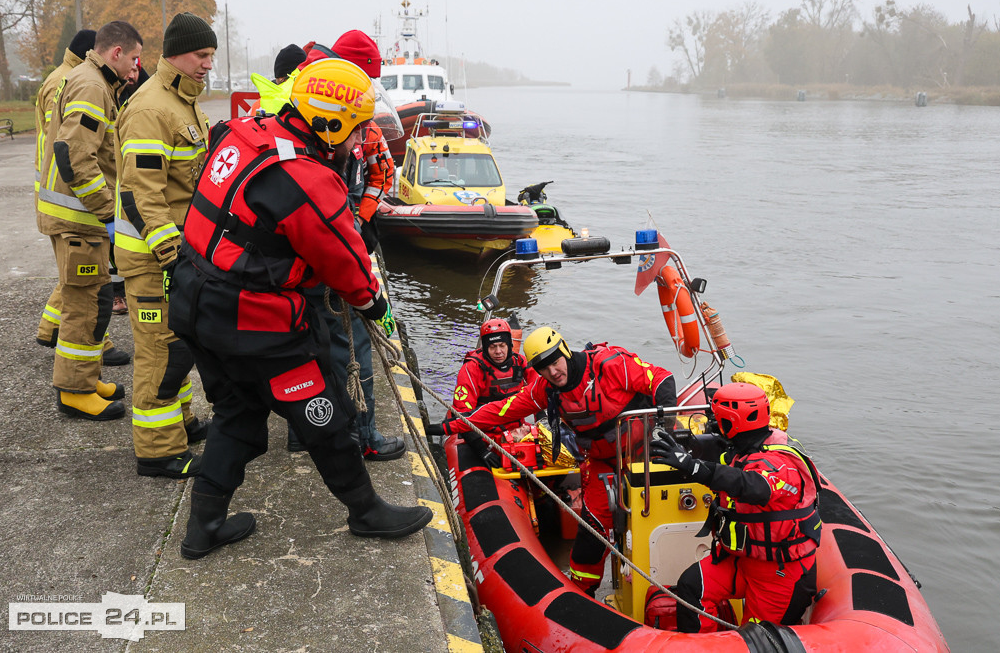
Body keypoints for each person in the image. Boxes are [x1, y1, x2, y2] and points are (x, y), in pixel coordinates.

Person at [168, 57, 432, 559]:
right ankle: (366, 512)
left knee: (237, 415)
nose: (360, 143)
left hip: (194, 299)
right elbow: (346, 258)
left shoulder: (244, 132)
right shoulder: (305, 178)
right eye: (357, 131)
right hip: (253, 322)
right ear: (330, 123)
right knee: (325, 416)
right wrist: (377, 307)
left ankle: (202, 527)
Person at [440, 327, 676, 596]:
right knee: (593, 526)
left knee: (660, 512)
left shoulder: (608, 364)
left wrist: (664, 427)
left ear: (564, 351)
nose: (553, 372)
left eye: (555, 362)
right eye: (544, 368)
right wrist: (454, 425)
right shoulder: (545, 389)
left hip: (646, 449)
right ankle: (582, 592)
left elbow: (661, 379)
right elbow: (504, 410)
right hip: (604, 460)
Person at [284, 30, 402, 460]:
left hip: (295, 249)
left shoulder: (295, 103)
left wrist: (363, 216)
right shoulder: (336, 113)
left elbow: (380, 171)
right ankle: (364, 435)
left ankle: (305, 429)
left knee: (304, 340)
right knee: (353, 343)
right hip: (325, 245)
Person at [113, 12, 217, 478]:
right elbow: (142, 193)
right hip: (153, 257)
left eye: (211, 56)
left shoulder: (184, 102)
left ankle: (182, 421)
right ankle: (158, 450)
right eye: (201, 55)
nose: (207, 65)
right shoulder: (151, 109)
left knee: (180, 343)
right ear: (176, 53)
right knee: (159, 349)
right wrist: (172, 255)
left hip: (178, 254)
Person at [647, 382, 821, 632]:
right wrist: (686, 451)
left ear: (732, 421)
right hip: (744, 561)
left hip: (780, 575)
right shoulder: (743, 449)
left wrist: (693, 466)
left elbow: (753, 486)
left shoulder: (781, 463)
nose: (714, 425)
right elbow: (722, 460)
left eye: (718, 419)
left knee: (755, 639)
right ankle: (703, 647)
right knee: (691, 585)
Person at [37, 20, 143, 420]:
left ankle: (84, 376)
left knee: (90, 301)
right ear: (116, 53)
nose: (135, 68)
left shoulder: (89, 79)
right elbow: (74, 155)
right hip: (79, 218)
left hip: (77, 216)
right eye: (133, 59)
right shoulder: (93, 86)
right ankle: (75, 391)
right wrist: (106, 212)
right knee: (85, 307)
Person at [448, 318, 537, 466]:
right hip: (486, 435)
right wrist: (482, 451)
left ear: (509, 345)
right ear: (485, 348)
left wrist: (541, 418)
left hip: (518, 431)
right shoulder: (472, 368)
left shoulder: (521, 362)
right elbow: (461, 415)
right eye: (493, 347)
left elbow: (540, 391)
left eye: (502, 345)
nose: (498, 352)